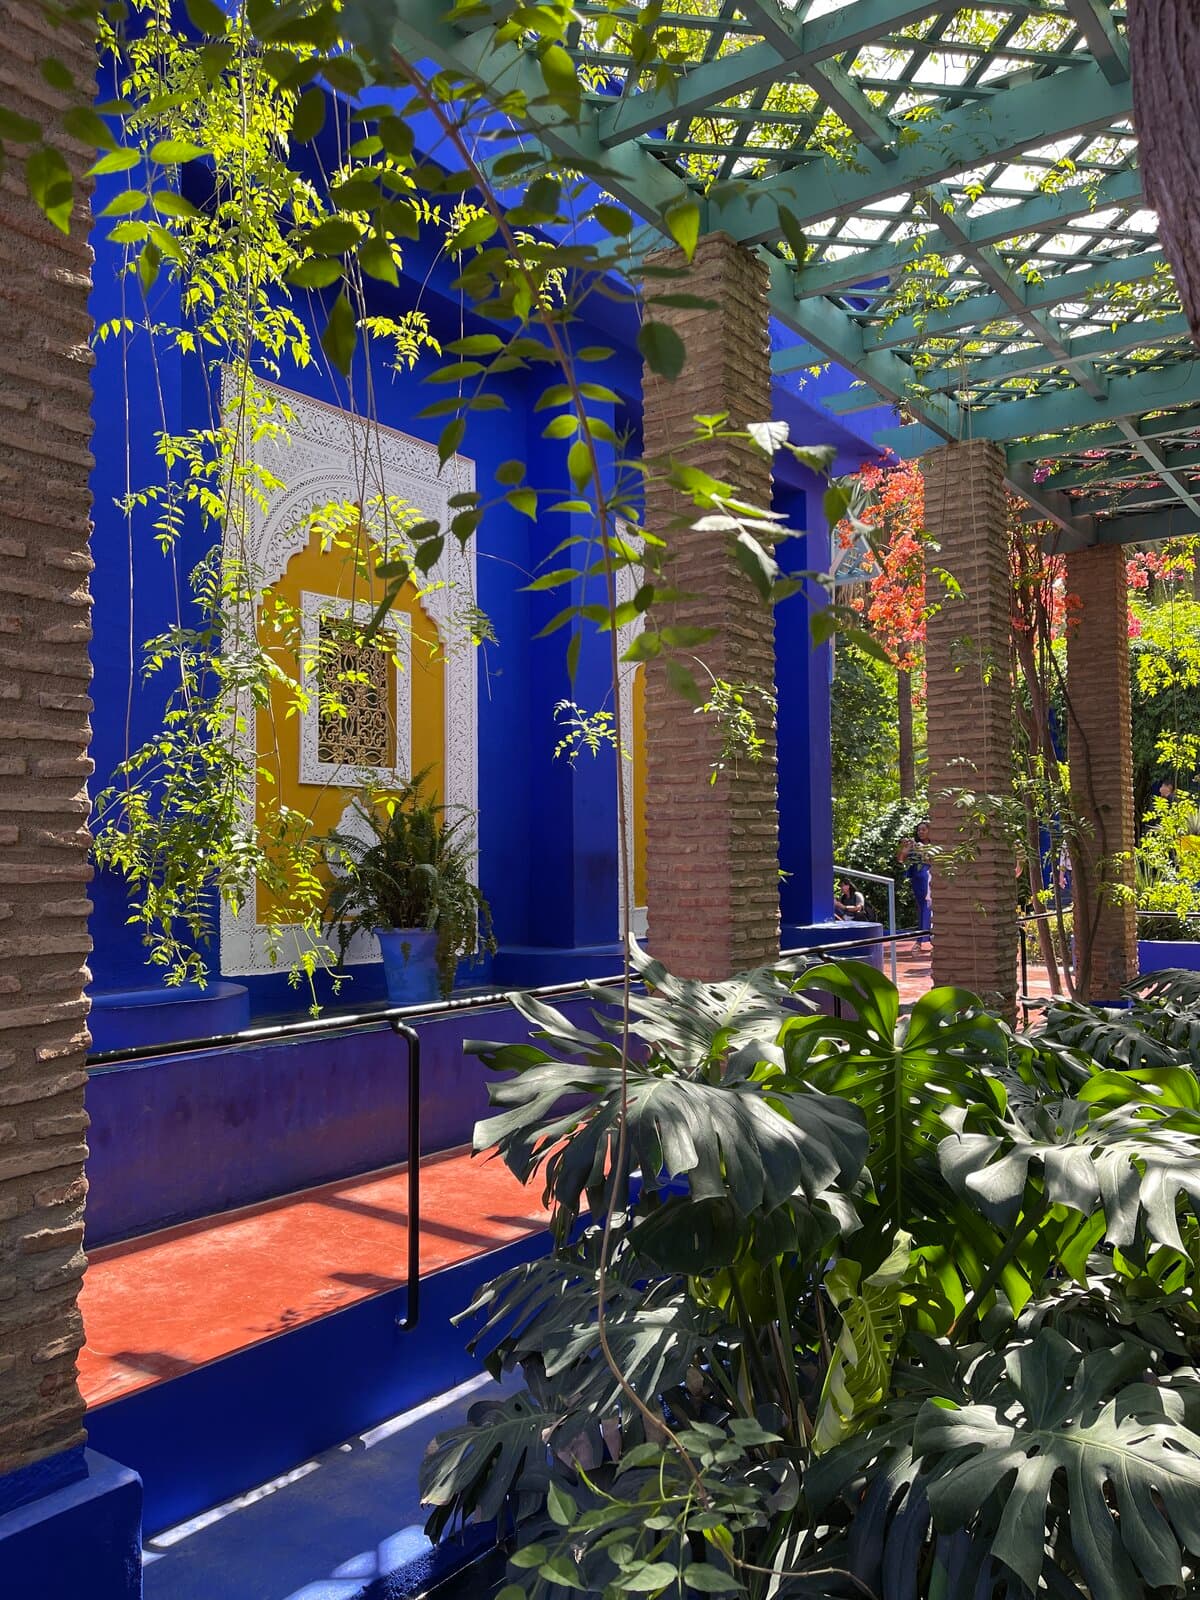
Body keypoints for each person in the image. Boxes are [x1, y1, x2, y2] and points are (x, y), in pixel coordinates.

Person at [898, 821, 932, 949]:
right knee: (921, 907)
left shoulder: (933, 846)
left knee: (928, 905)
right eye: (919, 830)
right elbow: (900, 860)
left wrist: (921, 849)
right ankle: (922, 938)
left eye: (923, 829)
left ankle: (923, 938)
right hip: (916, 878)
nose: (920, 832)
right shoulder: (914, 845)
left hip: (928, 876)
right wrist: (904, 848)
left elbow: (932, 861)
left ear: (930, 831)